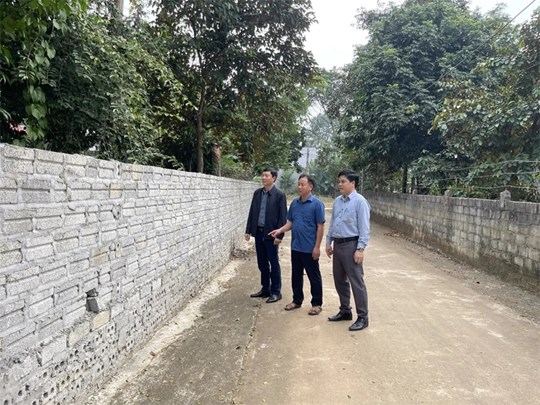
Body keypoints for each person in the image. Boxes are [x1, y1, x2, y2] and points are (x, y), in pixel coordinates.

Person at [269, 174, 325, 315]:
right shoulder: (294, 203)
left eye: (302, 184)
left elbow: (320, 226)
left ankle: (316, 304)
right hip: (296, 247)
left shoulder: (317, 204)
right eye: (298, 184)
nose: (299, 187)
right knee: (296, 275)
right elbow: (290, 223)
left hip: (309, 248)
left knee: (314, 276)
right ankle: (297, 300)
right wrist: (280, 230)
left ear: (310, 186)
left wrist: (317, 247)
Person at [325, 170, 371, 331]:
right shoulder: (337, 201)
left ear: (353, 183)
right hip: (338, 245)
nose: (340, 184)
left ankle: (363, 317)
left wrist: (360, 249)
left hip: (352, 245)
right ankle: (345, 310)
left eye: (343, 181)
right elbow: (333, 223)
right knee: (339, 280)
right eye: (339, 181)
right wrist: (328, 242)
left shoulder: (360, 202)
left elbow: (364, 228)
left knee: (356, 281)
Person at [245, 167, 287, 303]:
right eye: (262, 175)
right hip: (258, 233)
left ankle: (276, 291)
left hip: (271, 234)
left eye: (266, 176)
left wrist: (279, 236)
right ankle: (265, 288)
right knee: (262, 263)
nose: (263, 178)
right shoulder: (257, 193)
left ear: (273, 178)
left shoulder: (279, 195)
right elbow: (252, 212)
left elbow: (282, 217)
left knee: (273, 263)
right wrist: (248, 230)